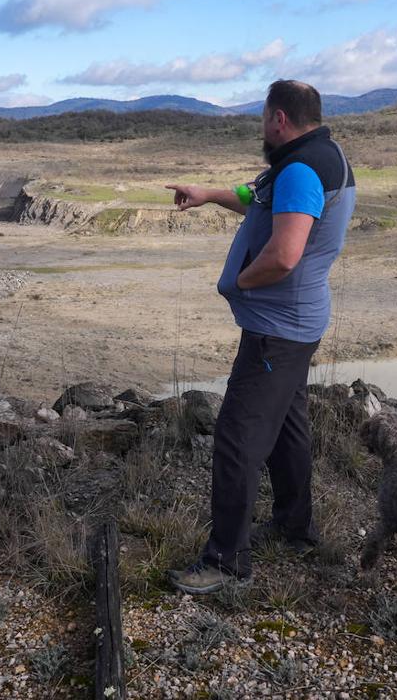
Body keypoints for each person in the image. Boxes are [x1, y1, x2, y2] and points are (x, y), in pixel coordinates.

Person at [163, 79, 356, 594]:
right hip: (296, 325)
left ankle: (227, 561)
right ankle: (295, 526)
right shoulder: (319, 154)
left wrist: (240, 282)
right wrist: (207, 195)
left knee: (237, 438)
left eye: (263, 118)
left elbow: (285, 254)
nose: (262, 128)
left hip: (277, 330)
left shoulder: (300, 169)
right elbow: (256, 197)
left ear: (278, 119)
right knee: (289, 425)